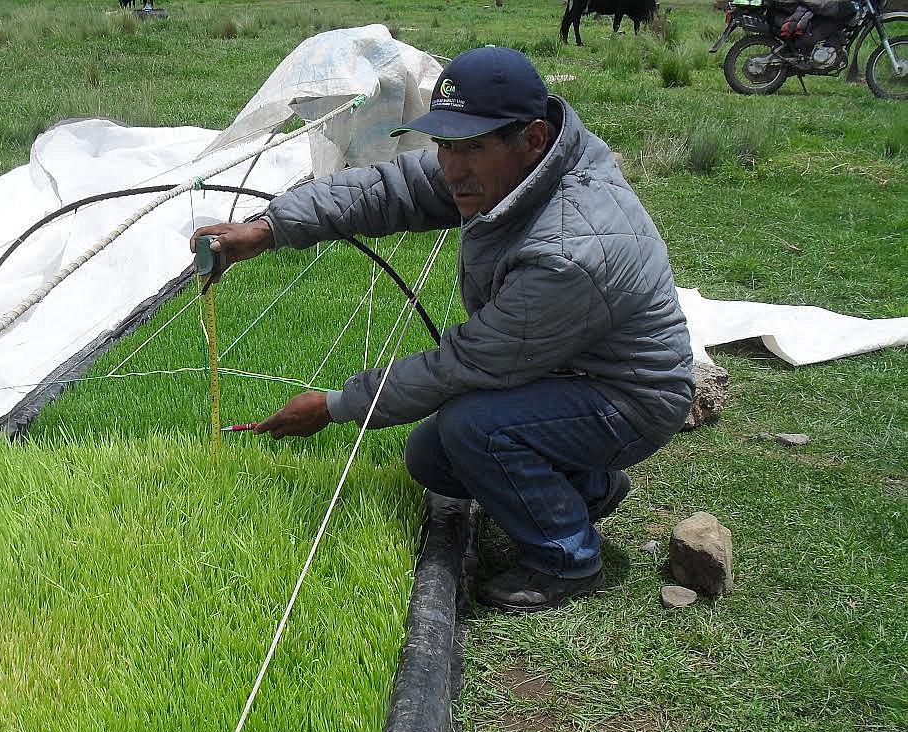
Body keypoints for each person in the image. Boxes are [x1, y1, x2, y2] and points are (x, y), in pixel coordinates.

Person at [191, 46, 694, 612]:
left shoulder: (570, 249)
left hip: (629, 397)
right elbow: (384, 190)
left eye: (470, 148)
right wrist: (269, 229)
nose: (451, 167)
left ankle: (566, 560)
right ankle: (587, 487)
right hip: (566, 369)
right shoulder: (510, 168)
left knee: (474, 428)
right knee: (432, 459)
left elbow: (467, 364)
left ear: (530, 138)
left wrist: (335, 406)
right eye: (444, 146)